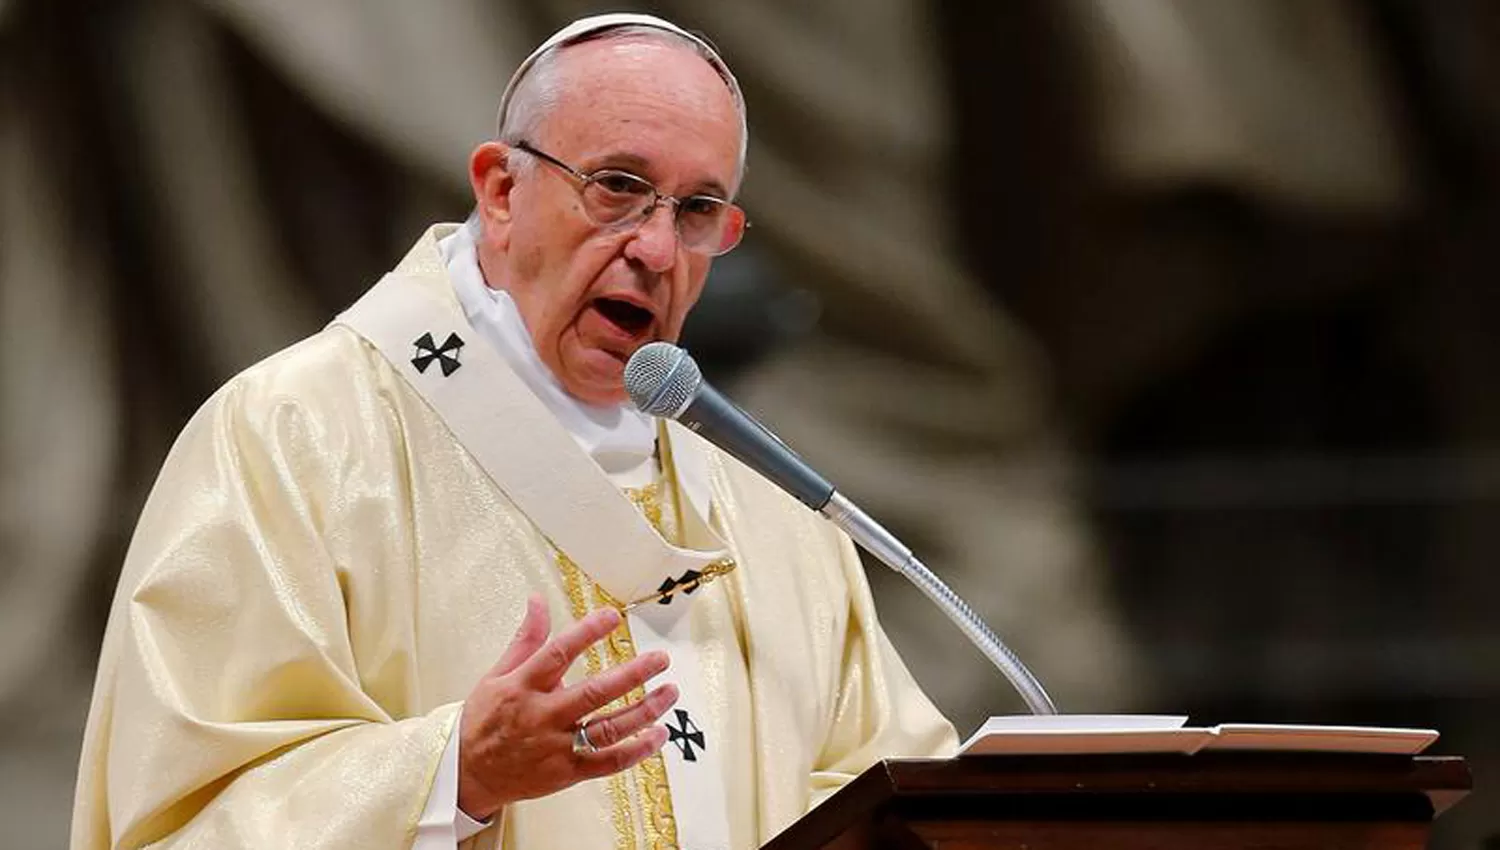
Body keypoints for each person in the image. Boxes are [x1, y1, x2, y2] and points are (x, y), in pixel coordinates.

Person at [69, 13, 956, 850]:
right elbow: (184, 819)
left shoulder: (768, 505)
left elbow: (895, 797)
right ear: (500, 189)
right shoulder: (297, 437)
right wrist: (455, 773)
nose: (655, 250)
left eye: (696, 212)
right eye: (619, 187)